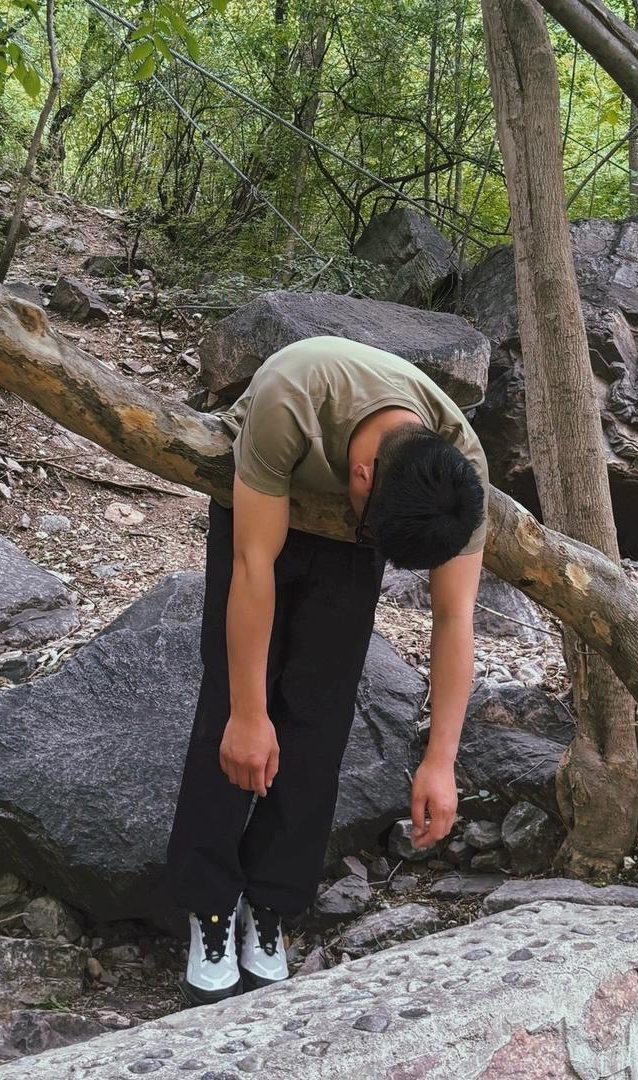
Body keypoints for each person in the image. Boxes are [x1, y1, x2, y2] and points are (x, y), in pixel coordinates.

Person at [166, 334, 488, 1005]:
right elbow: (255, 567)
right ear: (363, 476)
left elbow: (456, 620)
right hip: (264, 501)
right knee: (233, 710)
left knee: (321, 715)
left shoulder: (457, 473)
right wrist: (250, 717)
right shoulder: (294, 396)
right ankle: (210, 905)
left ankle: (272, 904)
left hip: (353, 536)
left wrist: (440, 760)